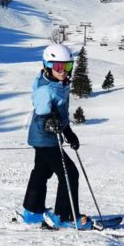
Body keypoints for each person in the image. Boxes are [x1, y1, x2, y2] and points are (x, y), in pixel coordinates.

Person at [21, 43, 92, 228]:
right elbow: (42, 115)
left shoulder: (58, 83)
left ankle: (32, 211)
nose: (63, 71)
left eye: (67, 66)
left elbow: (60, 116)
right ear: (47, 66)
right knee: (69, 173)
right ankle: (64, 216)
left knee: (42, 172)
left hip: (47, 137)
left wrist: (68, 133)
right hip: (45, 139)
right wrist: (49, 122)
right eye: (58, 67)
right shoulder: (46, 90)